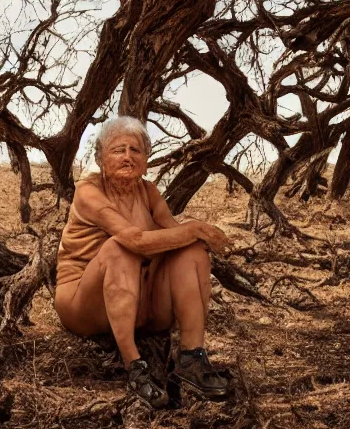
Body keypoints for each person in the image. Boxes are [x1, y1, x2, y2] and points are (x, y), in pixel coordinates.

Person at [54, 116, 233, 408]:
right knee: (120, 248)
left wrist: (193, 234)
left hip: (138, 300)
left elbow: (173, 235)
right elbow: (134, 240)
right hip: (84, 305)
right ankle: (135, 368)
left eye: (135, 150)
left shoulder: (148, 190)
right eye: (118, 150)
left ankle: (192, 358)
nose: (128, 156)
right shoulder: (89, 191)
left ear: (146, 159)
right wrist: (194, 227)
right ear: (100, 158)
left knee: (191, 251)